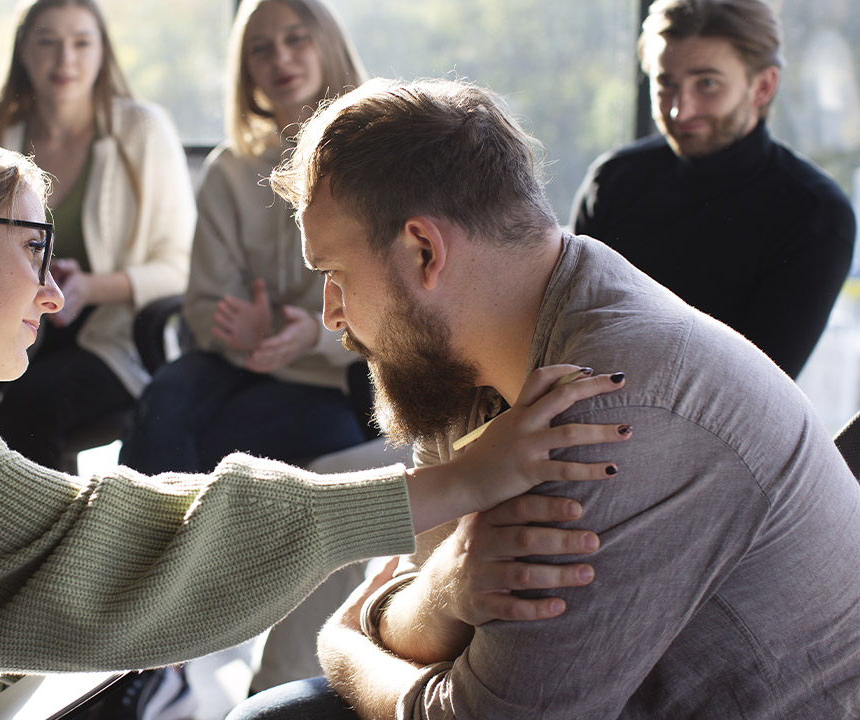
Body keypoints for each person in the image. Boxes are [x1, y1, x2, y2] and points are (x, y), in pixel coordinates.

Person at [0, 129, 630, 718]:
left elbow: (71, 535)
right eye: (34, 247)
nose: (50, 293)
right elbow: (117, 548)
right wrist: (450, 485)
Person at [227, 76, 860, 719]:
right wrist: (444, 592)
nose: (330, 316)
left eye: (334, 274)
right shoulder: (471, 356)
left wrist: (343, 643)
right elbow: (409, 593)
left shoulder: (606, 412)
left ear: (424, 250)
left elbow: (465, 700)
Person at [121, 0, 368, 475]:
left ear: (327, 44)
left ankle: (177, 546)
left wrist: (311, 335)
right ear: (247, 69)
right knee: (160, 407)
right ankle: (135, 546)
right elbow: (201, 303)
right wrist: (244, 329)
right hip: (234, 360)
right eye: (261, 49)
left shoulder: (372, 158)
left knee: (207, 444)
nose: (280, 59)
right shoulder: (230, 170)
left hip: (335, 376)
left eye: (296, 38)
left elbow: (399, 297)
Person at [570, 0, 856, 379]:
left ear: (763, 86)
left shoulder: (815, 213)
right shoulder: (612, 180)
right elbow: (567, 333)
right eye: (665, 83)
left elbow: (757, 387)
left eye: (707, 84)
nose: (679, 111)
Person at [0, 0, 195, 470]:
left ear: (102, 53)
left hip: (114, 338)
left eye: (81, 42)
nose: (64, 59)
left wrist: (89, 287)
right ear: (23, 52)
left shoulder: (142, 131)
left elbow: (179, 266)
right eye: (48, 42)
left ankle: (49, 537)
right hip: (11, 326)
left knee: (32, 402)